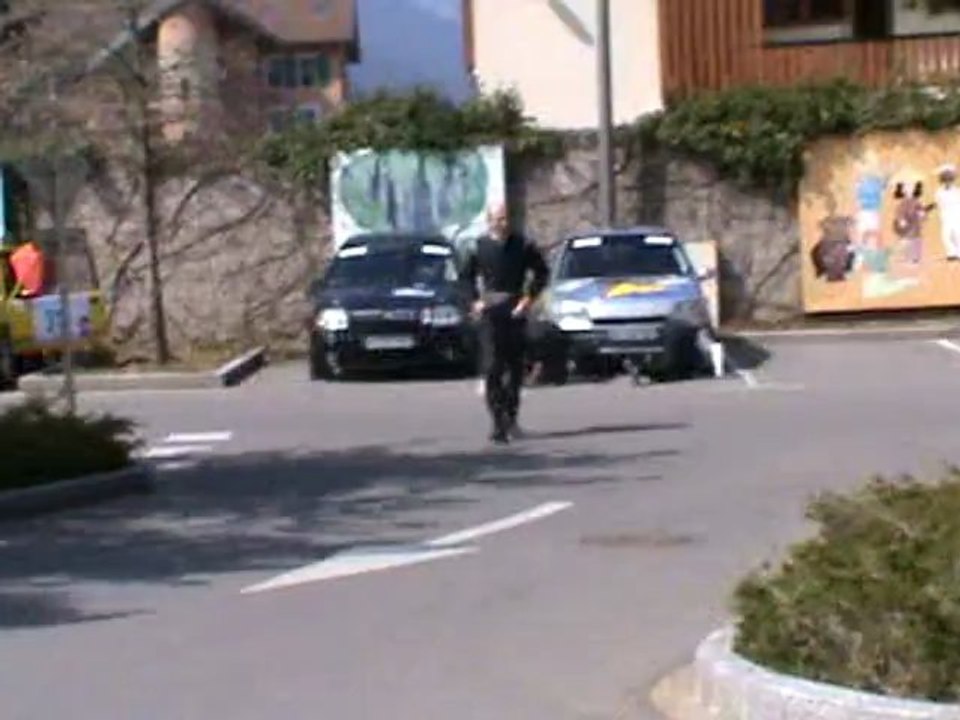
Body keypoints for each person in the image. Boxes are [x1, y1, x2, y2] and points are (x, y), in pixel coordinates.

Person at [463, 203, 549, 444]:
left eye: (505, 219)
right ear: (489, 220)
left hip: (514, 309)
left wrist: (528, 299)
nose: (502, 224)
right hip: (490, 311)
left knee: (514, 369)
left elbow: (542, 272)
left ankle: (511, 417)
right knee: (492, 368)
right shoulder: (478, 246)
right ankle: (497, 423)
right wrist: (474, 301)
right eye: (497, 219)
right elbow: (465, 278)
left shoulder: (522, 245)